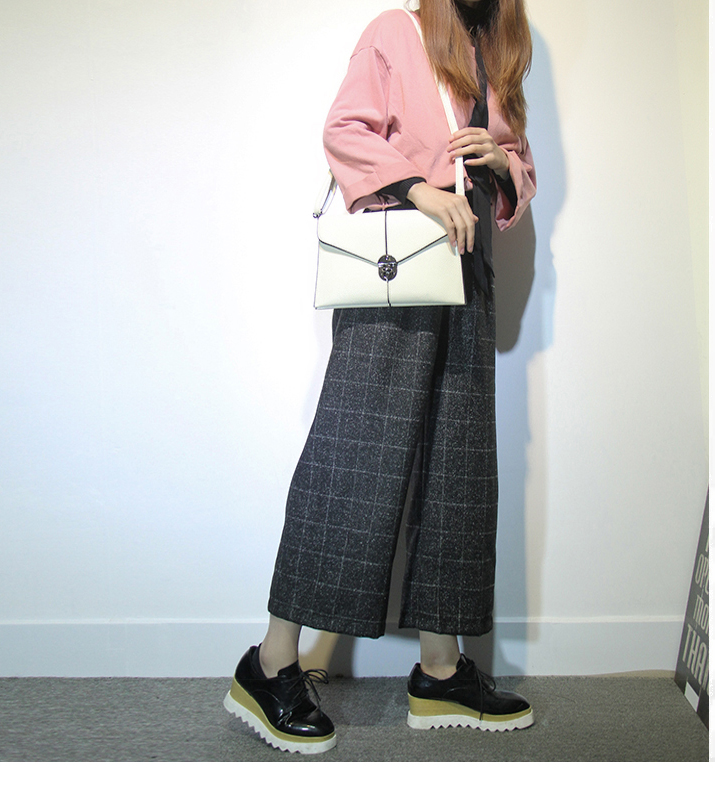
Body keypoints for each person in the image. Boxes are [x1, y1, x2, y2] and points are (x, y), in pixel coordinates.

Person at [223, 0, 536, 754]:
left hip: (469, 275)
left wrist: (501, 164)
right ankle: (270, 663)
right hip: (397, 268)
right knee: (354, 460)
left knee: (458, 470)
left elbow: (519, 160)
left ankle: (441, 670)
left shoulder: (497, 49)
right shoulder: (397, 29)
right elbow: (346, 129)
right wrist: (422, 189)